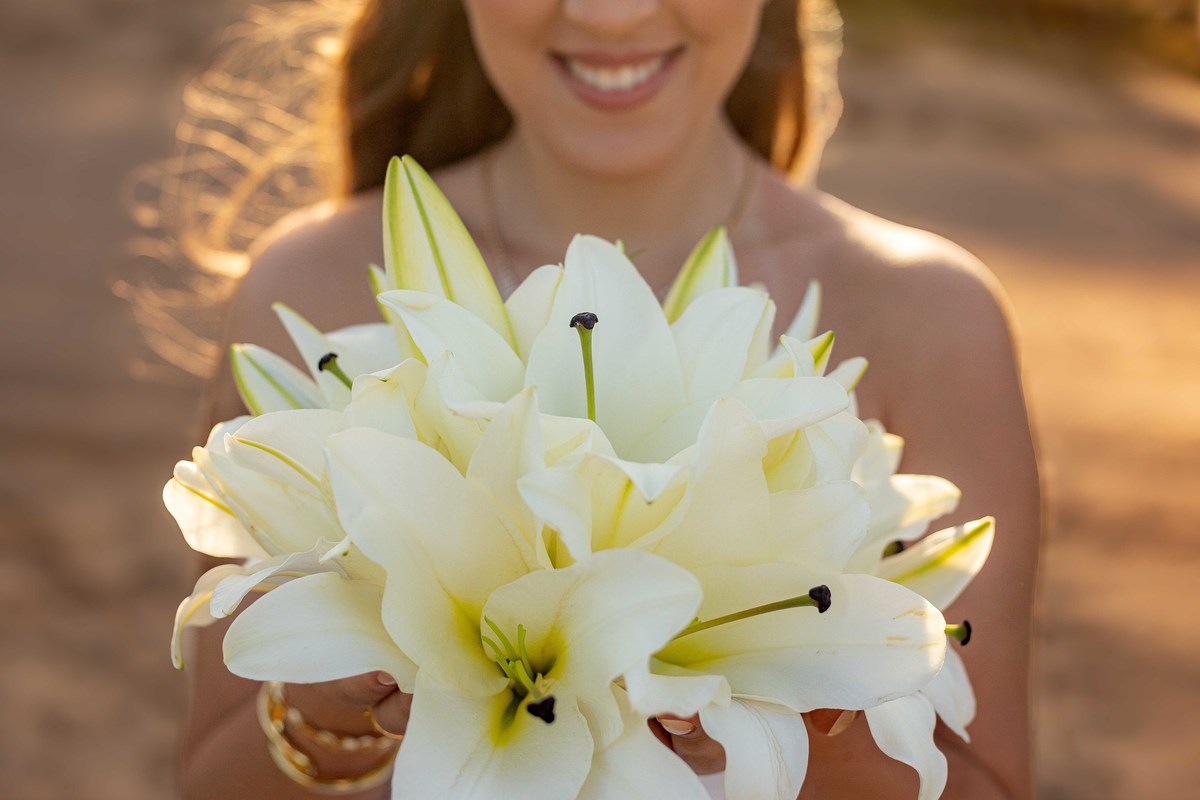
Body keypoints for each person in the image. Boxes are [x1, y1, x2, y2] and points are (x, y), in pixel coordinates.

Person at [177, 1, 1040, 797]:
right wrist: (330, 717)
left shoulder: (931, 317)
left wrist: (799, 711)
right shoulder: (309, 284)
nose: (612, 13)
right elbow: (209, 780)